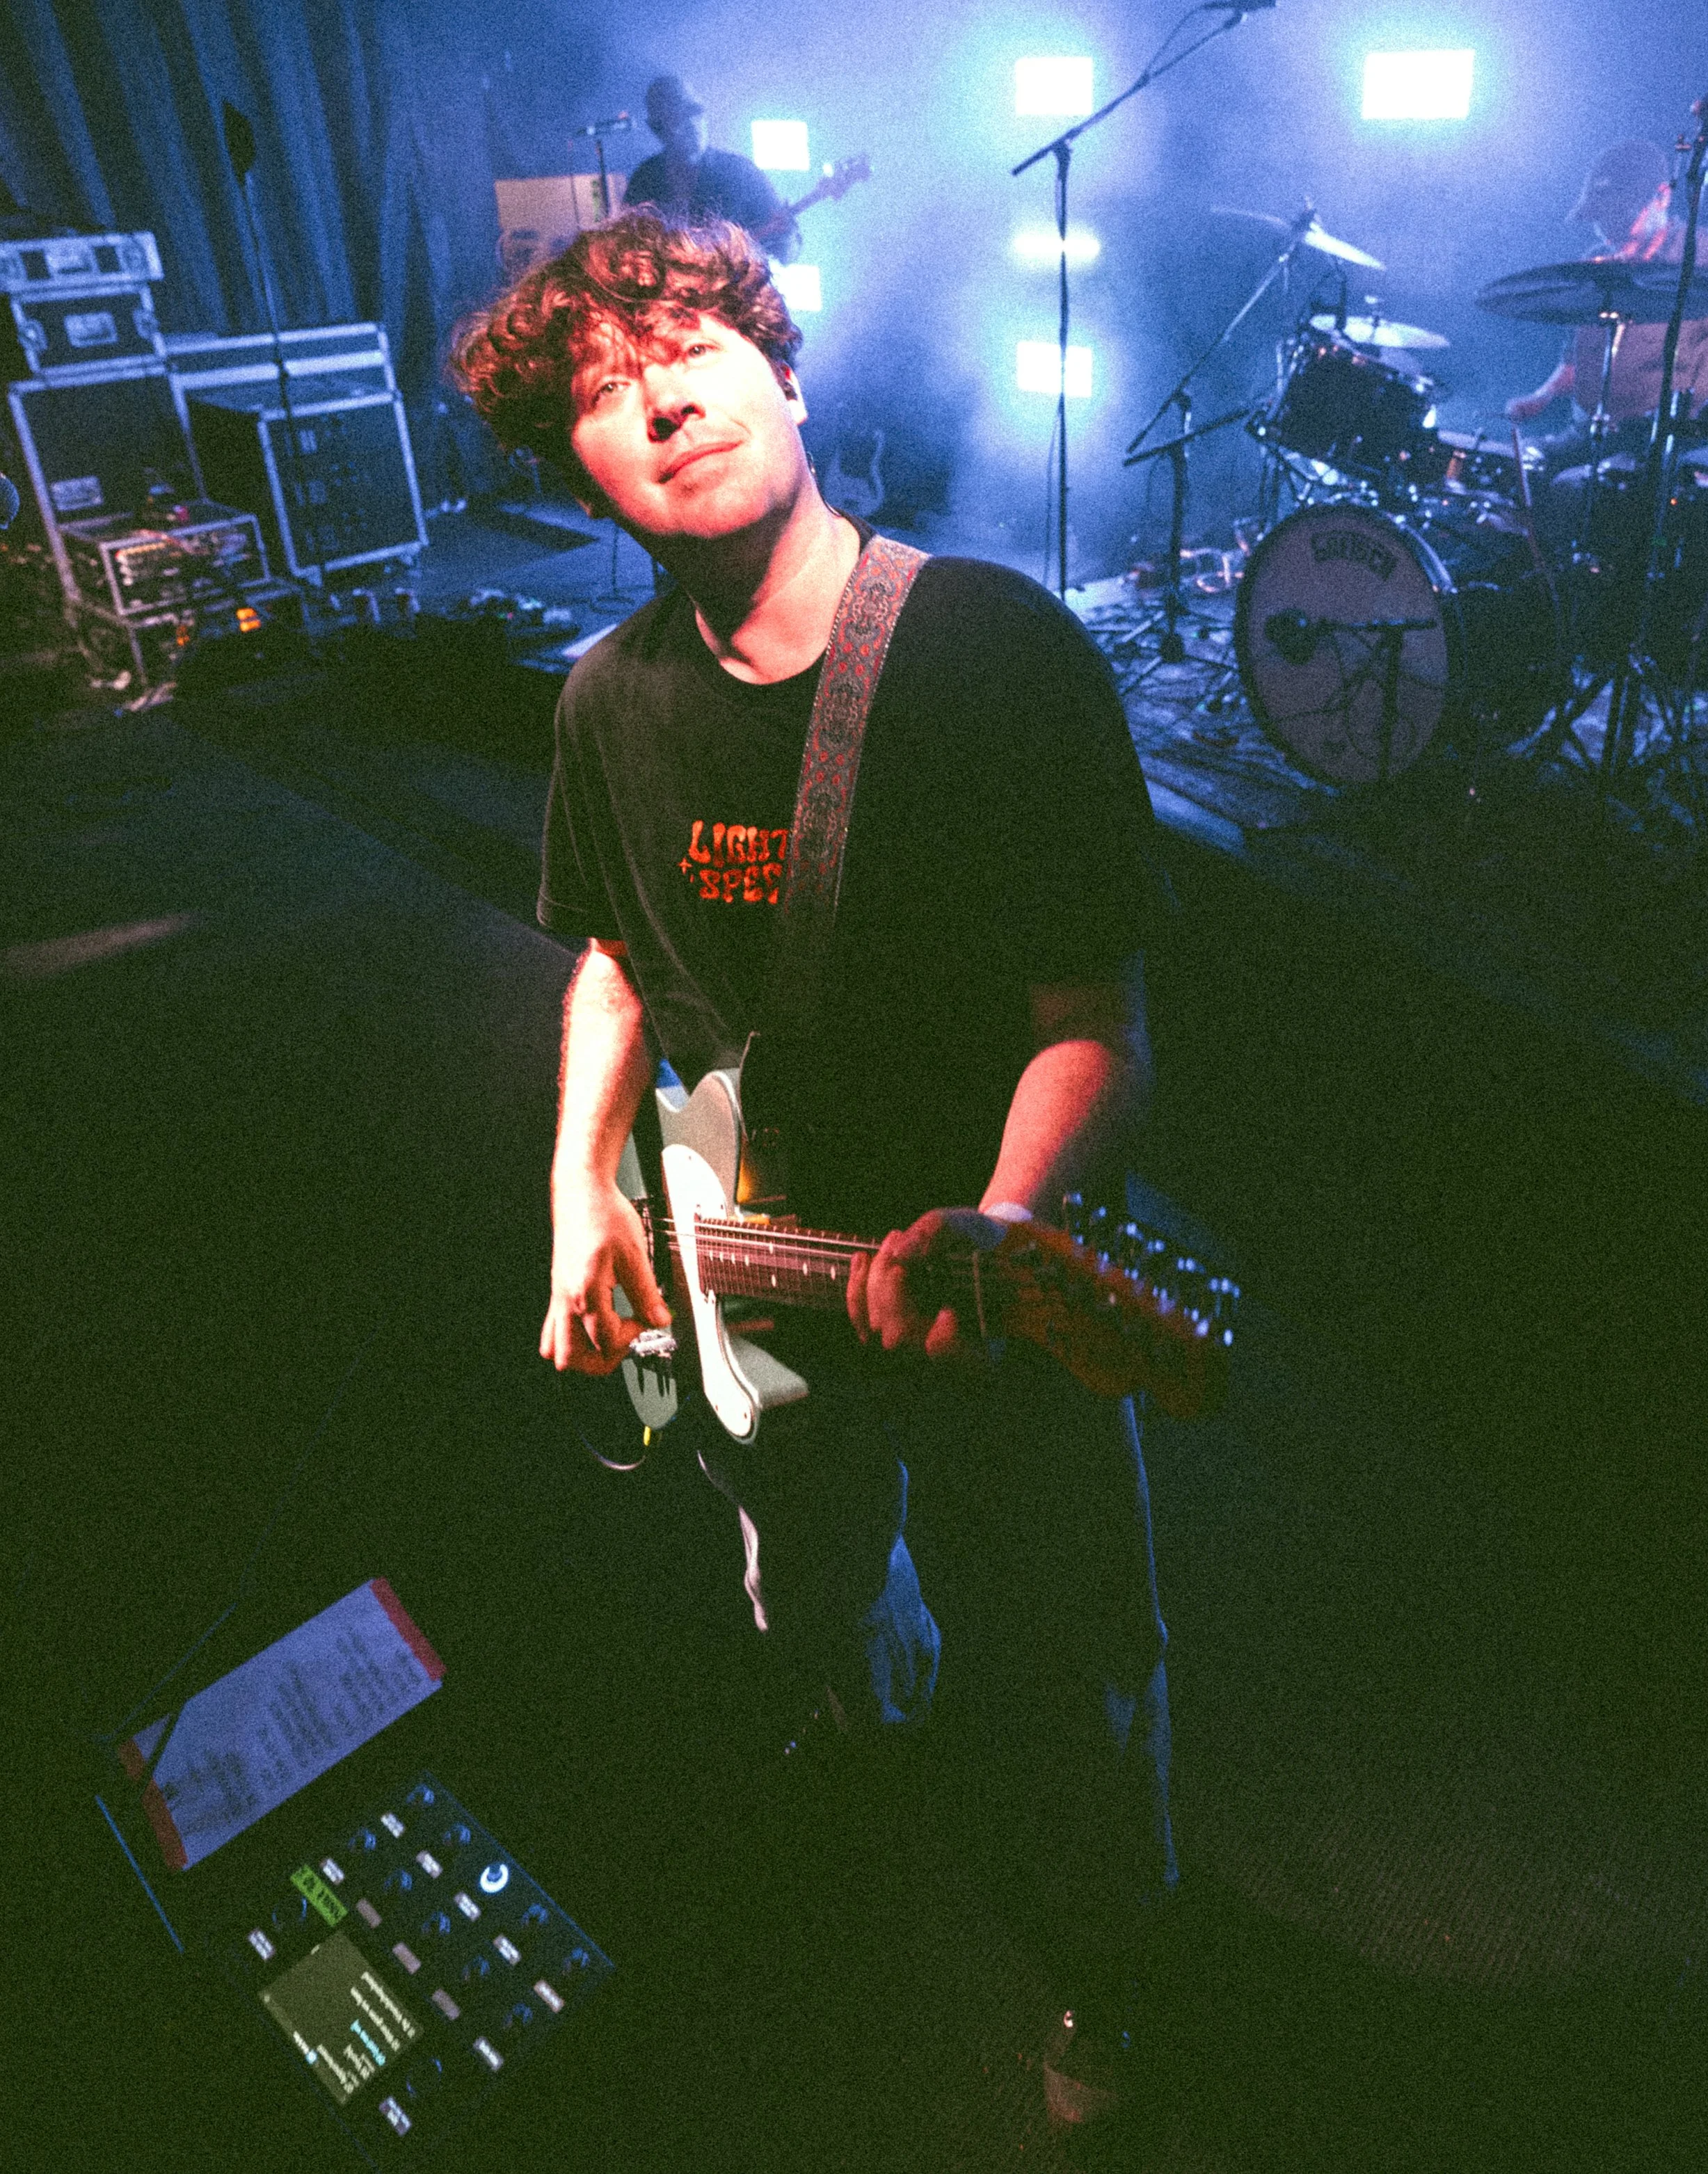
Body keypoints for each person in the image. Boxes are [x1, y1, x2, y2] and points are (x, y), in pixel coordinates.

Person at [452, 207, 1180, 2135]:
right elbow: (612, 958)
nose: (657, 394)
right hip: (743, 1256)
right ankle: (864, 1680)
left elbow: (1092, 1011)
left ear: (780, 360)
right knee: (817, 1579)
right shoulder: (604, 700)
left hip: (968, 1277)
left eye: (686, 340)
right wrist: (578, 1189)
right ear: (572, 465)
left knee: (1073, 1662)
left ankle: (1110, 1974)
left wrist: (1008, 1221)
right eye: (597, 390)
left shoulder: (991, 652)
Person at [1505, 139, 1708, 540]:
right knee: (1518, 469)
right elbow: (1577, 358)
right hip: (1591, 430)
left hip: (1665, 442)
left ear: (1662, 197)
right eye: (1601, 216)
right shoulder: (1602, 263)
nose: (1609, 228)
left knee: (1574, 491)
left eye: (1622, 214)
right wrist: (1542, 395)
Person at [625, 74, 800, 262]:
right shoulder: (645, 178)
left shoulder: (740, 172)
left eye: (696, 111)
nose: (692, 123)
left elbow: (788, 254)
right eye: (678, 116)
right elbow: (627, 245)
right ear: (657, 127)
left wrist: (786, 236)